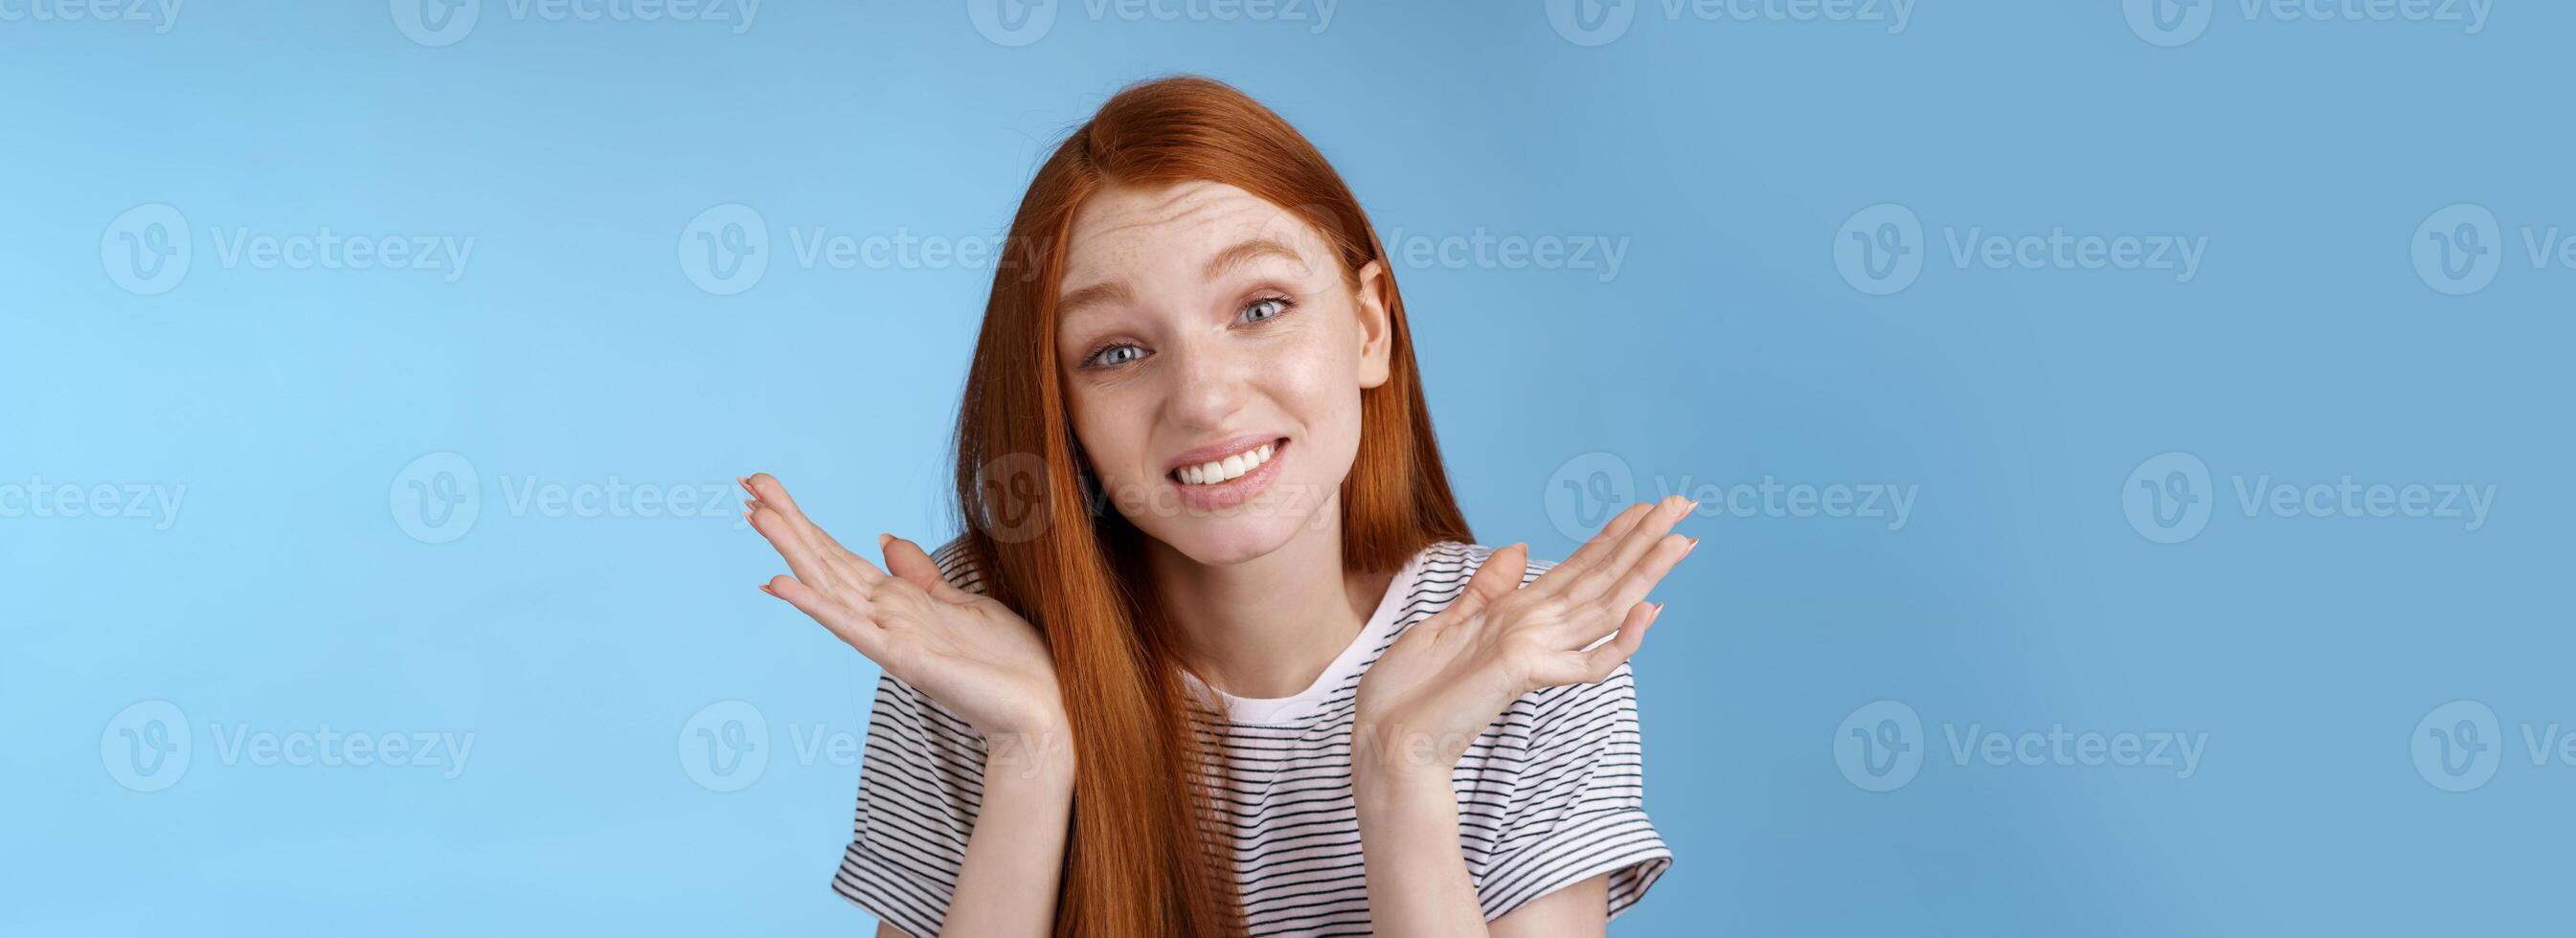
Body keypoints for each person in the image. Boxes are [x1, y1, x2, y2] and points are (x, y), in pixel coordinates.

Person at [737, 74, 1697, 938]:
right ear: (1061, 410)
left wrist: (1402, 767)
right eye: (1115, 351)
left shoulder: (1512, 643)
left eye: (1259, 307)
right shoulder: (974, 635)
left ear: (1367, 329)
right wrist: (1029, 751)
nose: (1200, 396)